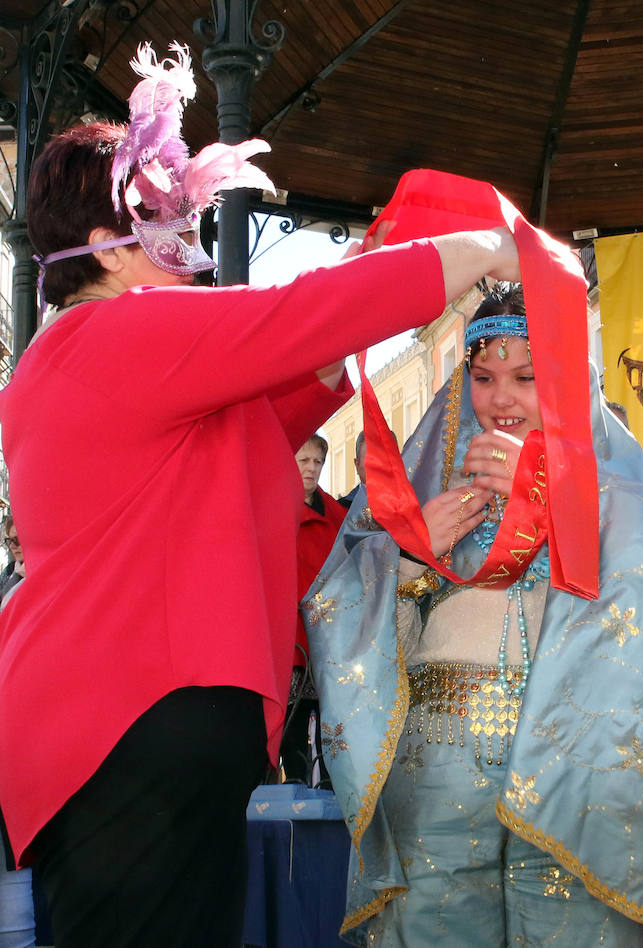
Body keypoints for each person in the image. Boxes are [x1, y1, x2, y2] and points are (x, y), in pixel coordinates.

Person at [0, 44, 529, 948]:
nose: (191, 243)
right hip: (128, 720)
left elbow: (285, 381)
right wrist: (485, 246)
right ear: (104, 251)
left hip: (134, 721)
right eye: (162, 218)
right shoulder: (116, 335)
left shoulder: (111, 361)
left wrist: (395, 272)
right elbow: (297, 319)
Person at [306, 285, 643, 946]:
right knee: (434, 924)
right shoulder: (420, 474)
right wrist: (408, 555)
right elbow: (334, 603)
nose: (501, 398)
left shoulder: (617, 481)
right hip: (436, 753)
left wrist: (551, 494)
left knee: (574, 926)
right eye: (483, 376)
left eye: (527, 377)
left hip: (576, 751)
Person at [280, 433, 347, 785]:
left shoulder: (337, 516)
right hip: (288, 631)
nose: (311, 468)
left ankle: (330, 784)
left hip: (326, 631)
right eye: (303, 460)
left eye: (317, 462)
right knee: (290, 714)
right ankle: (292, 783)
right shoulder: (275, 508)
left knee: (329, 715)